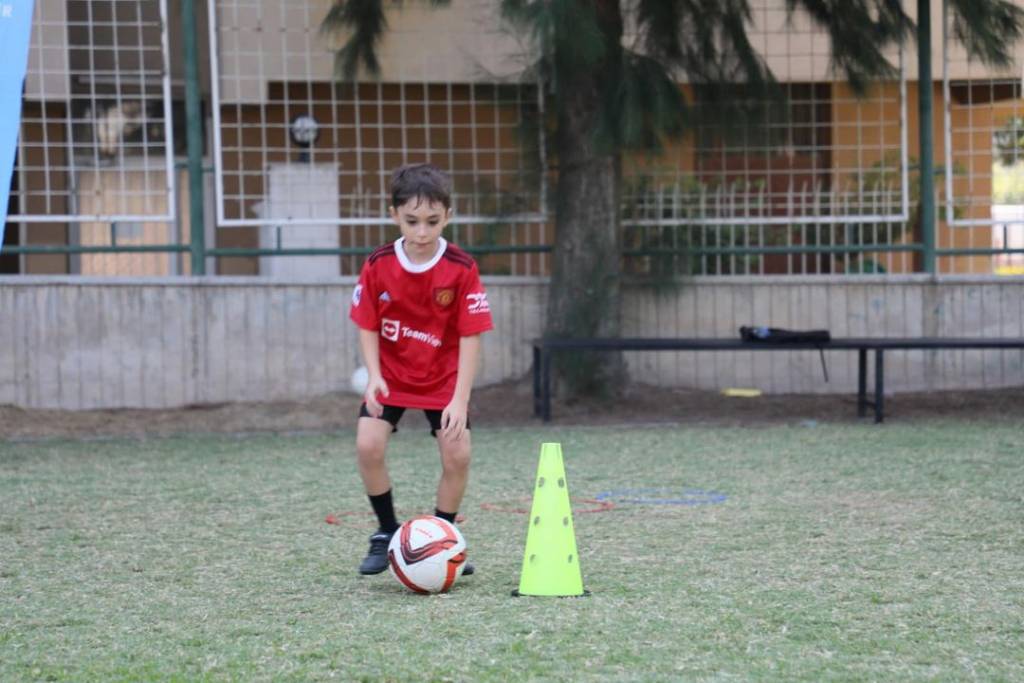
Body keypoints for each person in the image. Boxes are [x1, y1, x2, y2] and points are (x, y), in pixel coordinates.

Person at [348, 163, 494, 575]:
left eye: (432, 221)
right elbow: (367, 322)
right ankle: (386, 533)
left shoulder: (461, 268)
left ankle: (443, 539)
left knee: (458, 454)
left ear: (448, 215)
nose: (422, 232)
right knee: (367, 445)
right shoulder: (378, 264)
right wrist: (374, 374)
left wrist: (459, 400)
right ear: (394, 215)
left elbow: (471, 335)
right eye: (412, 221)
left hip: (442, 379)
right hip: (392, 375)